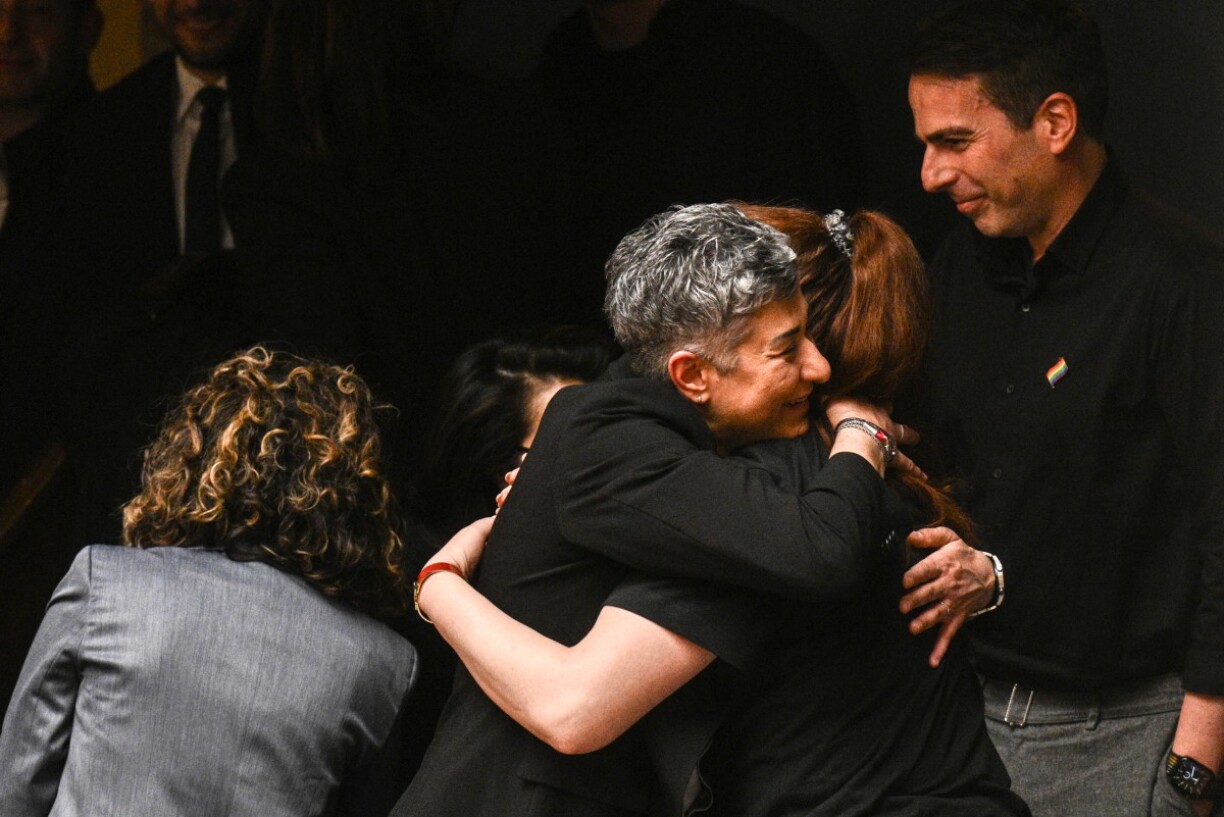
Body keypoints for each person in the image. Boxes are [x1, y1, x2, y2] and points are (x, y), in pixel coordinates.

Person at [395, 203, 1023, 816]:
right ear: (693, 373)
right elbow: (573, 708)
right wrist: (439, 581)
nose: (816, 365)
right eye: (786, 347)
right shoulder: (690, 467)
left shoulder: (787, 476)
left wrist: (986, 574)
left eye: (807, 335)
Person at [907, 1, 1224, 814]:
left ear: (1055, 122)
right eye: (926, 144)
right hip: (962, 715)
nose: (931, 174)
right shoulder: (961, 264)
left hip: (1125, 731)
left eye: (955, 141)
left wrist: (1192, 768)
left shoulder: (1180, 281)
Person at [0, 347, 418, 817]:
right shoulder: (381, 666)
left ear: (194, 461)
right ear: (357, 497)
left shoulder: (106, 585)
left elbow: (16, 790)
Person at [533, 0, 865, 320]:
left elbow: (816, 245)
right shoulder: (566, 58)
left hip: (739, 334)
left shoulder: (768, 60)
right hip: (599, 335)